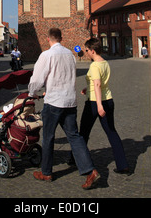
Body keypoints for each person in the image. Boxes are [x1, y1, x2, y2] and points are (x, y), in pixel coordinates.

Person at [28, 28, 100, 190]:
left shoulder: (46, 55)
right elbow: (66, 76)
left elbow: (37, 79)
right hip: (70, 102)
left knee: (48, 137)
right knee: (75, 137)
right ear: (61, 38)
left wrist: (32, 93)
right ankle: (90, 170)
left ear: (48, 39)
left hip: (53, 102)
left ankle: (46, 172)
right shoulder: (70, 55)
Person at [75, 38, 130, 175]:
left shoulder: (94, 65)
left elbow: (98, 84)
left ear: (92, 50)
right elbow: (99, 83)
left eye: (87, 50)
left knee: (83, 133)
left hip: (95, 103)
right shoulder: (105, 63)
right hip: (108, 99)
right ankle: (122, 164)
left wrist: (99, 105)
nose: (86, 53)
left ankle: (75, 159)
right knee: (112, 132)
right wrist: (88, 89)